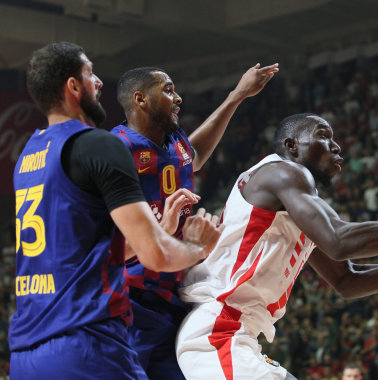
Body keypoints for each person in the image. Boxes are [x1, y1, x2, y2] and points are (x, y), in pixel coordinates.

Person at [176, 113, 378, 379]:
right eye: (324, 136)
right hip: (219, 332)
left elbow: (346, 281)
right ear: (292, 146)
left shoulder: (296, 203)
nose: (336, 146)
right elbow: (339, 241)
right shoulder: (283, 172)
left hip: (236, 335)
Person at [9, 42, 223, 379]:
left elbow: (89, 253)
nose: (99, 83)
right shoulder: (99, 144)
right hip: (85, 341)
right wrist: (198, 246)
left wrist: (160, 230)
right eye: (90, 74)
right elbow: (155, 257)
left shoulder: (28, 156)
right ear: (74, 87)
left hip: (27, 347)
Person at [111, 63, 278, 379]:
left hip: (178, 294)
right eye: (168, 89)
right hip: (134, 297)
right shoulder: (116, 149)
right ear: (140, 99)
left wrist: (237, 96)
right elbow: (104, 240)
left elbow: (195, 153)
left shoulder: (174, 141)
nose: (179, 98)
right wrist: (163, 230)